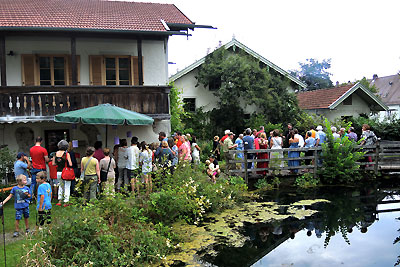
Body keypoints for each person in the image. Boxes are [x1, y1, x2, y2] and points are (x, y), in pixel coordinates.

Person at [53, 140, 73, 207]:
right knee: (67, 186)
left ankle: (59, 200)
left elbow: (53, 163)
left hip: (58, 172)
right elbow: (70, 164)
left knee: (61, 186)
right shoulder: (66, 154)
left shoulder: (55, 153)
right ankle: (66, 201)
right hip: (65, 172)